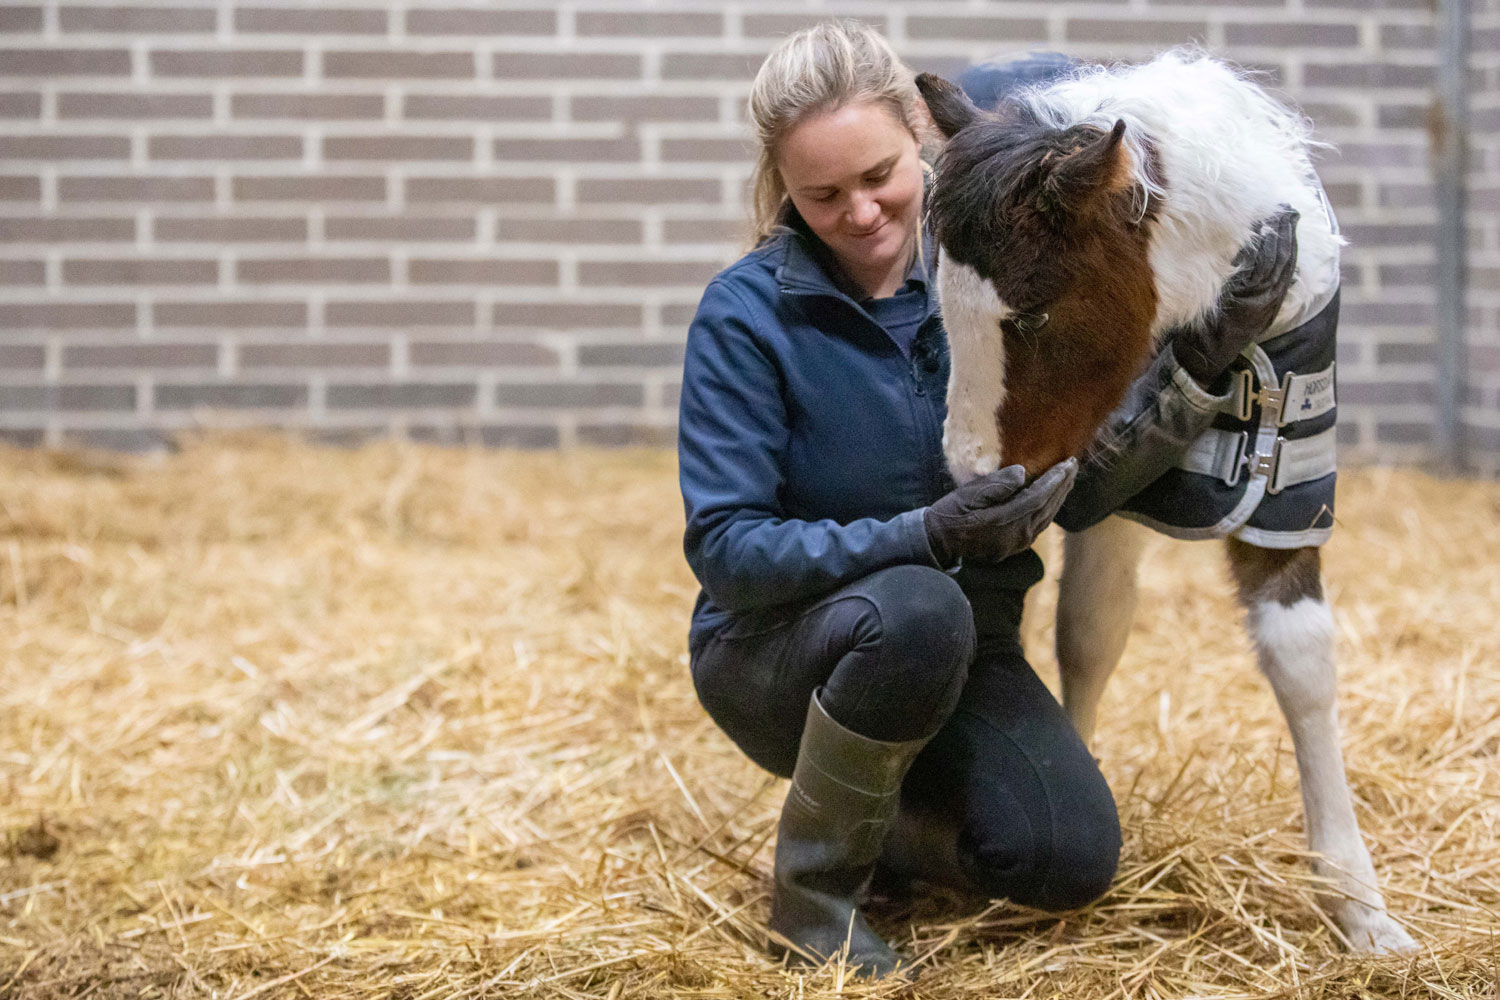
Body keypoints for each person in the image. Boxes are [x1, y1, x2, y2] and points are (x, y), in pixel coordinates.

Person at [676, 22, 1299, 978]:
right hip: (786, 652)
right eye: (822, 194)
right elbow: (728, 549)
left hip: (968, 650)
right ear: (784, 187)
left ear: (924, 141)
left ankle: (873, 818)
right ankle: (812, 899)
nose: (862, 212)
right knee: (918, 603)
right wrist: (921, 533)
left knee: (1068, 857)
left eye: (880, 174)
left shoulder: (986, 277)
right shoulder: (746, 314)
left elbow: (1075, 496)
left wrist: (1202, 369)